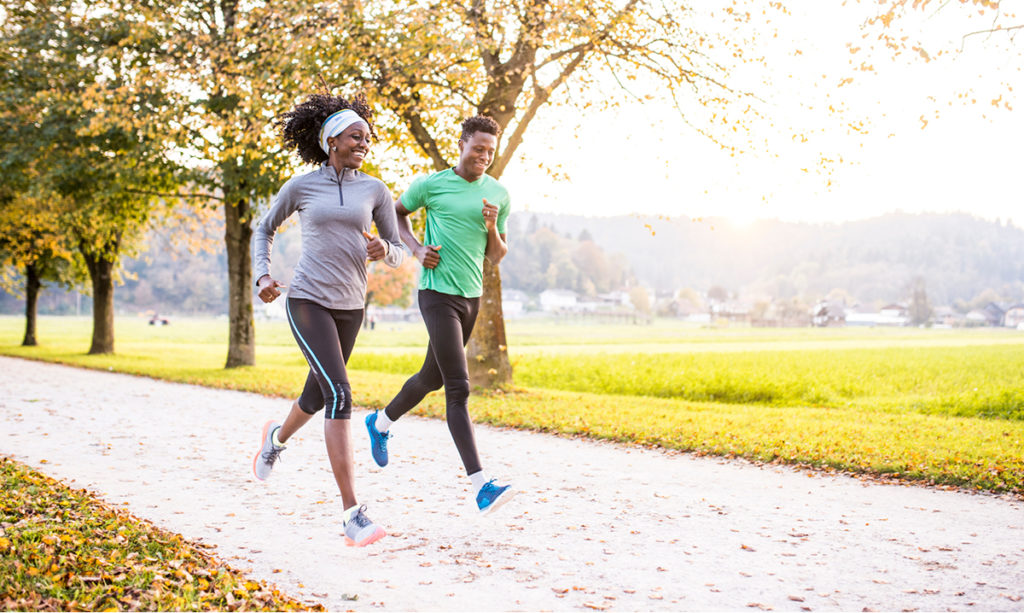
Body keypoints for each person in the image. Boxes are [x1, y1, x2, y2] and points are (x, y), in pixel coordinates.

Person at [251, 92, 404, 547]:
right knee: (340, 393)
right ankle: (352, 514)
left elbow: (396, 252)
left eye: (368, 138)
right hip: (307, 299)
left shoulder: (374, 189)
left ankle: (275, 439)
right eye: (356, 136)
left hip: (351, 305)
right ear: (331, 140)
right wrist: (262, 274)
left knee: (317, 395)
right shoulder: (301, 187)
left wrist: (385, 250)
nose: (364, 143)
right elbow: (264, 227)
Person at [363, 115, 514, 514]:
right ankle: (482, 486)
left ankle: (380, 423)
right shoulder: (432, 184)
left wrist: (493, 226)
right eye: (478, 148)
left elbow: (496, 256)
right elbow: (396, 212)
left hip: (471, 297)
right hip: (436, 294)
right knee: (458, 388)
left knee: (431, 376)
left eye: (490, 151)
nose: (484, 156)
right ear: (461, 144)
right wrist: (414, 249)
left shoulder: (498, 194)